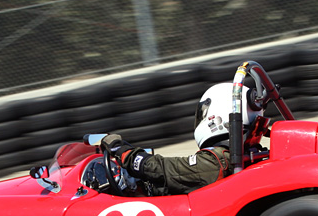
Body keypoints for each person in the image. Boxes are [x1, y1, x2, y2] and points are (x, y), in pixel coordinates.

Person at [102, 82, 263, 195]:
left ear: (218, 116)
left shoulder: (216, 161)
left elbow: (162, 169)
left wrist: (121, 150)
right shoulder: (250, 154)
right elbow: (179, 180)